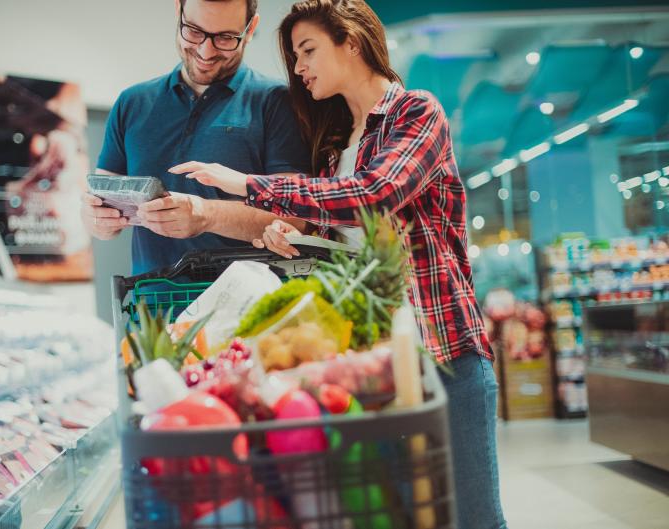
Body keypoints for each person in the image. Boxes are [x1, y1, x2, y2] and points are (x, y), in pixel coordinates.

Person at [170, 1, 508, 527]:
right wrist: (294, 234)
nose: (299, 69)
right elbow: (343, 237)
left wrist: (247, 184)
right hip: (375, 365)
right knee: (401, 516)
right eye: (294, 58)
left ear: (351, 41)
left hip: (444, 355)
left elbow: (375, 194)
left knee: (473, 518)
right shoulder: (334, 150)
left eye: (308, 51)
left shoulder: (416, 113)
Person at [82, 0, 310, 276]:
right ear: (178, 11)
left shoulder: (277, 102)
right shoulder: (132, 102)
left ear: (251, 29)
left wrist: (206, 215)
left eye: (225, 37)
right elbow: (99, 201)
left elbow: (296, 219)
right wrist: (96, 219)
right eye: (193, 31)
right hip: (150, 309)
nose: (206, 51)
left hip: (248, 311)